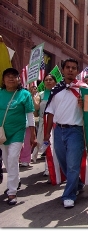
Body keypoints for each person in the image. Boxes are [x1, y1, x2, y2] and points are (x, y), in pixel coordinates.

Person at [44, 58, 88, 208]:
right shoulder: (56, 90)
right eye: (68, 67)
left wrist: (86, 105)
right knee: (63, 161)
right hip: (58, 131)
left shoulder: (84, 88)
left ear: (77, 71)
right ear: (62, 70)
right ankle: (78, 183)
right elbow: (50, 112)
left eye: (74, 68)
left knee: (72, 165)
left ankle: (69, 194)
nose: (70, 70)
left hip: (76, 131)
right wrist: (46, 135)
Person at [0, 68, 37, 205]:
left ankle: (12, 192)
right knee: (6, 159)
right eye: (7, 76)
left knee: (13, 158)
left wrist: (32, 135)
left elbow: (30, 116)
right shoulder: (0, 93)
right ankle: (15, 180)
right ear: (3, 79)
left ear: (18, 79)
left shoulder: (24, 94)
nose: (10, 79)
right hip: (2, 133)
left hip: (18, 131)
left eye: (13, 76)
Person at [31, 74, 57, 176]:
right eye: (46, 80)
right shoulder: (40, 95)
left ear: (55, 81)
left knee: (53, 146)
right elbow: (36, 111)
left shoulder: (57, 93)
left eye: (51, 79)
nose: (48, 81)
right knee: (45, 145)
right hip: (43, 123)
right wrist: (32, 96)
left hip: (55, 123)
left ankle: (51, 168)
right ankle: (49, 168)